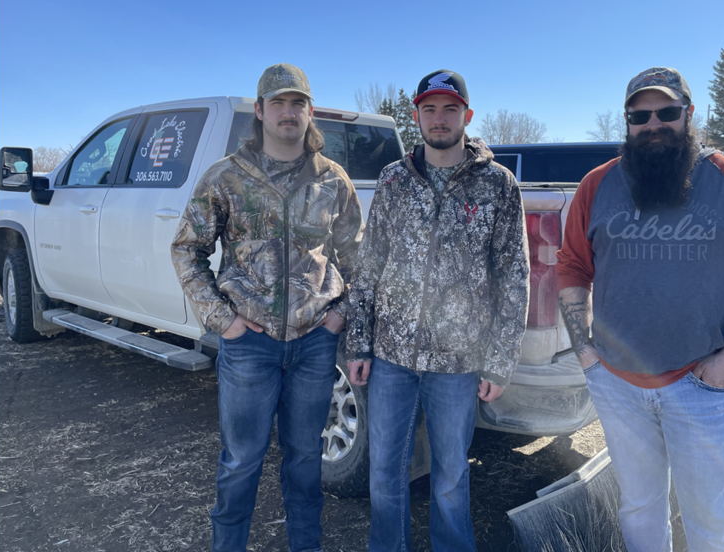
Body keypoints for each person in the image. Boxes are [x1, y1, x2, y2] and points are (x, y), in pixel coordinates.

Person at [556, 67, 724, 551]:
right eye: (639, 116)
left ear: (688, 114)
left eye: (666, 112)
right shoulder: (597, 185)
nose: (653, 124)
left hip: (700, 386)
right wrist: (586, 355)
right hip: (617, 385)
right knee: (640, 509)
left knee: (715, 527)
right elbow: (572, 268)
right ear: (626, 122)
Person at [171, 63, 363, 552]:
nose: (288, 112)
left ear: (309, 111)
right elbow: (187, 248)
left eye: (297, 103)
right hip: (248, 346)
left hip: (315, 344)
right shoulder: (227, 177)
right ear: (259, 111)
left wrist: (338, 314)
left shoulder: (332, 181)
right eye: (277, 102)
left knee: (304, 463)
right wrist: (223, 321)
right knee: (240, 463)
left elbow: (361, 260)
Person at [345, 70, 530, 552]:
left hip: (458, 362)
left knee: (450, 478)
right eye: (429, 109)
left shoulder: (498, 185)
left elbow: (514, 277)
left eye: (450, 109)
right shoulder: (392, 180)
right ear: (416, 117)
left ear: (467, 115)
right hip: (390, 358)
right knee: (385, 474)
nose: (439, 118)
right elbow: (369, 265)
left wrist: (500, 359)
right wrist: (359, 342)